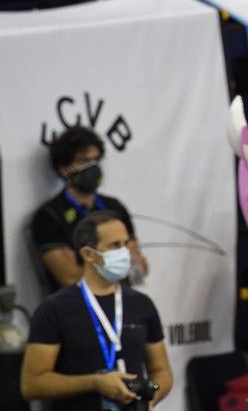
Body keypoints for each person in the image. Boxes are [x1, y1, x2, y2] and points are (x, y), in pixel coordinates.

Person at [20, 212, 173, 410]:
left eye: (126, 244)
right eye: (114, 245)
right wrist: (94, 383)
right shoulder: (54, 308)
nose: (125, 252)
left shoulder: (141, 304)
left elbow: (161, 371)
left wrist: (151, 394)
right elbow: (32, 385)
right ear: (88, 254)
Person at [30, 126, 148, 292]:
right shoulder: (49, 216)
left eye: (96, 160)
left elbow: (139, 270)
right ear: (64, 168)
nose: (92, 167)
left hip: (119, 304)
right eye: (84, 161)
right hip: (73, 310)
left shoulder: (115, 208)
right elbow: (70, 279)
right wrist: (117, 263)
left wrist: (90, 264)